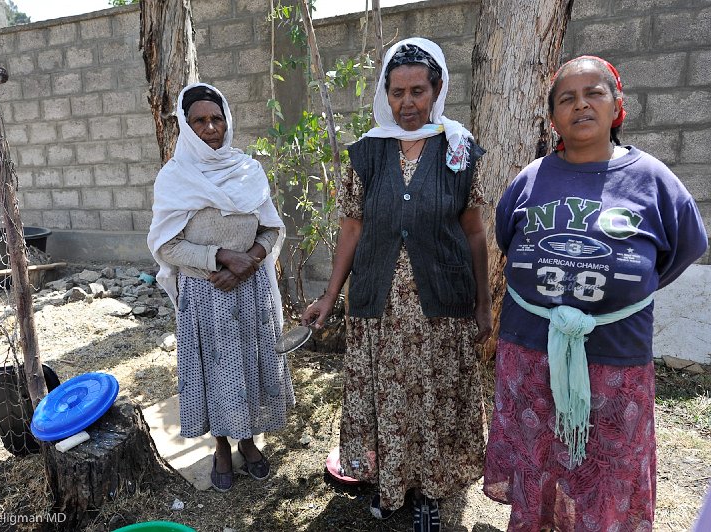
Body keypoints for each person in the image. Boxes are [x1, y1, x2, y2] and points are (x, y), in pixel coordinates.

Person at [483, 56, 708, 530]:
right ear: (553, 118)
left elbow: (685, 246)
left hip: (615, 361)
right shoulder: (530, 179)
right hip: (530, 357)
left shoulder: (653, 180)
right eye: (566, 98)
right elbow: (508, 239)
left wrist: (622, 293)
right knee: (539, 470)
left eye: (594, 93)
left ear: (617, 105)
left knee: (610, 480)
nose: (580, 104)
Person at [302, 38, 492, 531]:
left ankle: (429, 493)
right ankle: (390, 483)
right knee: (388, 399)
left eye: (418, 91)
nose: (408, 103)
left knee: (431, 400)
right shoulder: (367, 153)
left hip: (441, 307)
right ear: (385, 94)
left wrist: (485, 305)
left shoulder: (459, 148)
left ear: (437, 90)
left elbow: (473, 231)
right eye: (398, 92)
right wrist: (329, 296)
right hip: (379, 306)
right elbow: (352, 227)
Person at [147, 83, 294, 493]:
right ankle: (222, 447)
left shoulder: (248, 169)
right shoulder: (175, 178)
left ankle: (249, 441)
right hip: (205, 293)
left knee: (246, 367)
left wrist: (251, 261)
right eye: (200, 120)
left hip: (250, 288)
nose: (210, 127)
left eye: (216, 118)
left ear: (227, 121)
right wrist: (221, 257)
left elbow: (270, 226)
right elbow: (167, 244)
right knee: (215, 371)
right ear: (186, 126)